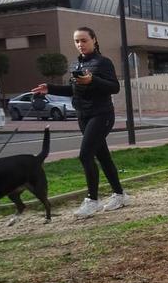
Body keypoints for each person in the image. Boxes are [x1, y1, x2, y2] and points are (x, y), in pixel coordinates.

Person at [32, 26, 131, 218]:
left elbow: (115, 87)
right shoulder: (77, 65)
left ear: (94, 40)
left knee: (85, 155)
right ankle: (120, 195)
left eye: (84, 40)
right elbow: (72, 90)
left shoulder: (103, 62)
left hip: (101, 115)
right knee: (103, 157)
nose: (80, 44)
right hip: (83, 115)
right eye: (77, 41)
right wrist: (49, 88)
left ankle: (92, 200)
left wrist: (92, 80)